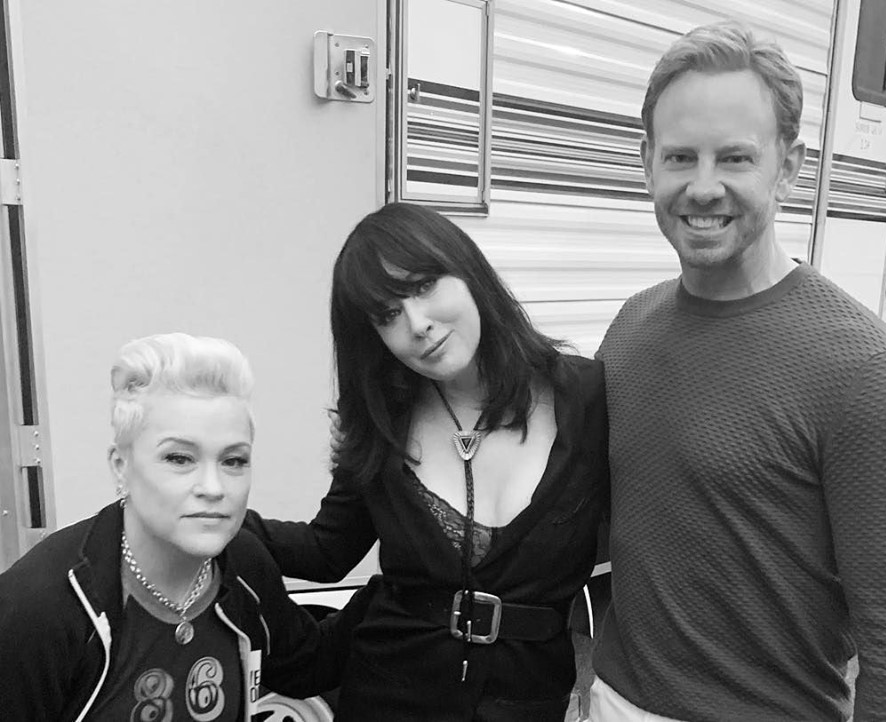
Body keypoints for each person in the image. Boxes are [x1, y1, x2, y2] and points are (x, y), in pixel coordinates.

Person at [590, 20, 886, 722]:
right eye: (680, 157)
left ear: (788, 166)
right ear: (647, 163)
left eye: (735, 158)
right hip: (613, 701)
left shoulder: (866, 372)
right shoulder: (631, 329)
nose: (702, 188)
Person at [244, 202, 609, 720]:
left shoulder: (588, 398)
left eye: (424, 285)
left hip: (528, 701)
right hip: (388, 693)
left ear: (469, 272)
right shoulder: (380, 423)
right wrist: (220, 519)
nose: (416, 324)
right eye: (387, 315)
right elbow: (326, 551)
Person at [0, 332, 368, 721]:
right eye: (179, 458)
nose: (213, 487)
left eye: (233, 461)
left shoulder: (243, 562)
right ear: (121, 467)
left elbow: (308, 665)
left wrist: (403, 564)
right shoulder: (38, 609)